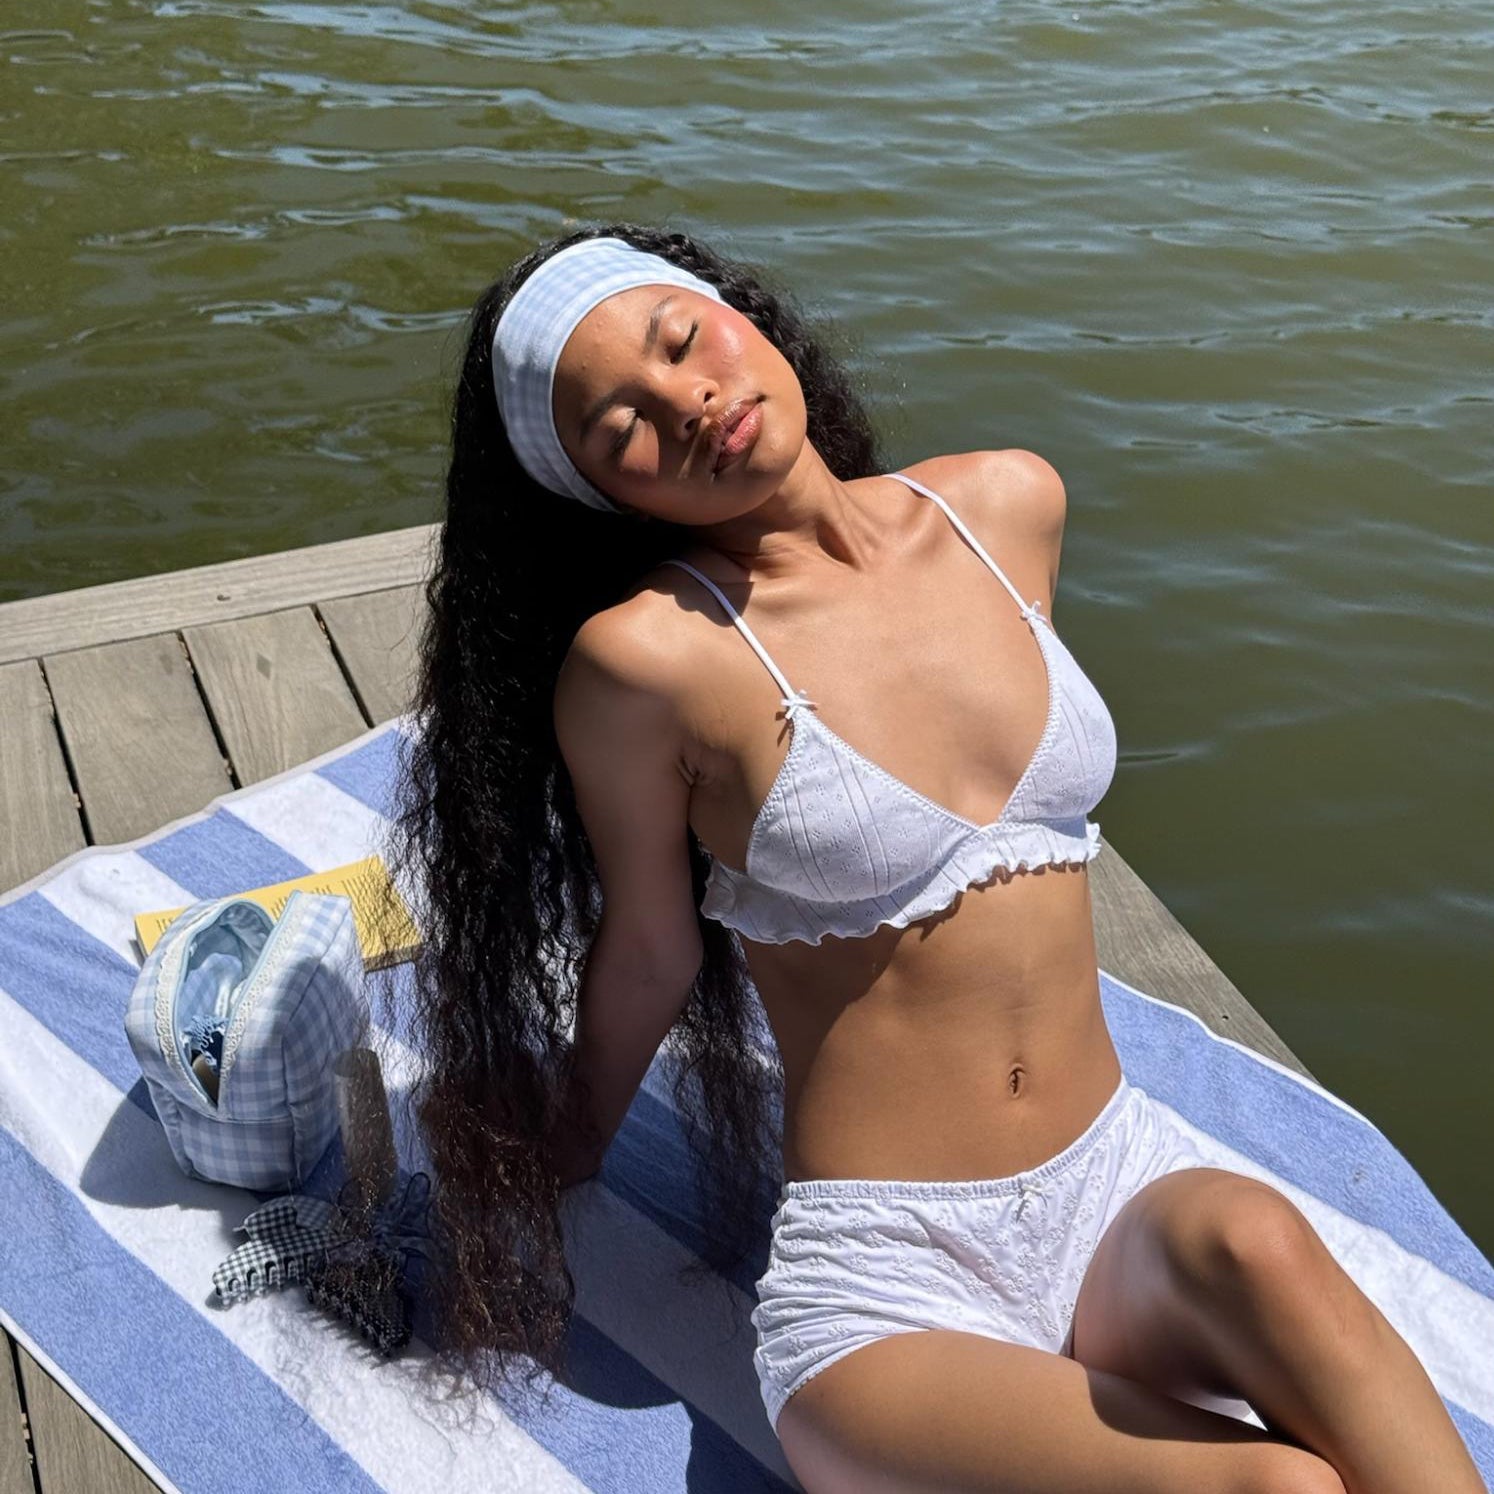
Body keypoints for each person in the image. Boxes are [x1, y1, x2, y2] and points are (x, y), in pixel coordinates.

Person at [380, 222, 1482, 1492]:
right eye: (618, 423)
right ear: (597, 494)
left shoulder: (1007, 507)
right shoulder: (649, 661)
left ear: (745, 316)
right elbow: (648, 948)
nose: (685, 402)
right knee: (1285, 1487)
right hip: (889, 1283)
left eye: (682, 341)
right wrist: (561, 1142)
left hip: (1117, 1179)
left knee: (1261, 1243)